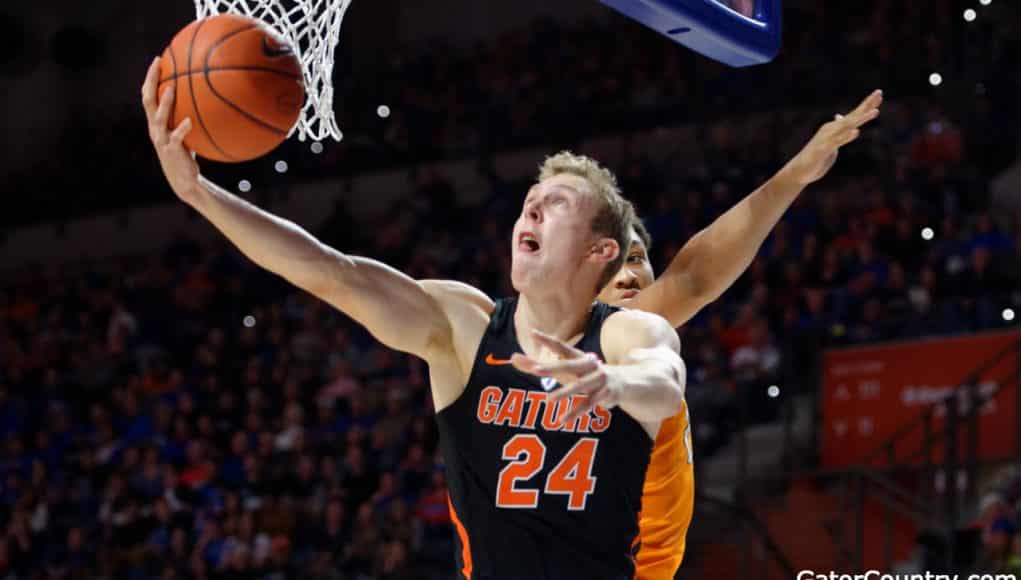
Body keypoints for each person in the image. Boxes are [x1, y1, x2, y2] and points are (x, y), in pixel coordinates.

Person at [142, 58, 685, 580]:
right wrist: (198, 193)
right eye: (529, 201)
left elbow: (664, 381)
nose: (533, 210)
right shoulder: (463, 327)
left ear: (599, 251)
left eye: (558, 203)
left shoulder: (622, 333)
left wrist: (612, 381)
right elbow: (333, 273)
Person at [594, 89, 883, 579]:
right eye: (609, 263)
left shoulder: (641, 332)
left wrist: (795, 175)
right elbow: (696, 277)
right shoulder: (564, 338)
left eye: (638, 259)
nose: (628, 275)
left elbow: (693, 276)